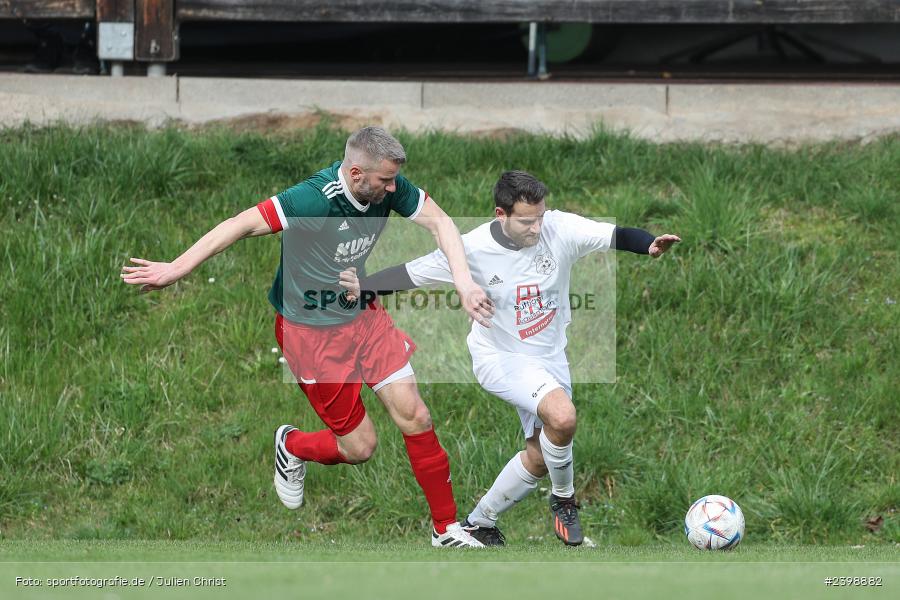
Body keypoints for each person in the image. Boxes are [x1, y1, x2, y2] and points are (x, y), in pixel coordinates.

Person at [121, 126, 494, 548]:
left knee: (416, 415)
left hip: (362, 314)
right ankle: (294, 445)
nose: (394, 188)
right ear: (356, 174)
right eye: (385, 180)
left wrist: (463, 283)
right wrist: (178, 267)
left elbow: (441, 223)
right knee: (360, 447)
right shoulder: (314, 198)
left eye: (394, 180)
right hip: (311, 335)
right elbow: (242, 223)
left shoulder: (389, 187)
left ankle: (445, 530)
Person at [341, 170, 680, 546]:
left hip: (550, 359)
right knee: (563, 416)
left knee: (538, 456)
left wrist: (648, 244)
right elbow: (412, 274)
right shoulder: (471, 248)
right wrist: (363, 288)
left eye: (541, 217)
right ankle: (564, 500)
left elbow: (613, 235)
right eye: (526, 220)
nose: (537, 228)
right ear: (500, 215)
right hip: (499, 358)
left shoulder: (558, 228)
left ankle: (479, 522)